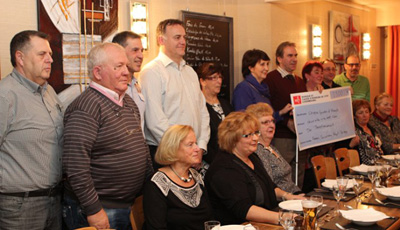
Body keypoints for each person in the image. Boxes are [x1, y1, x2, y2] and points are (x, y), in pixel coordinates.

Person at [63, 43, 152, 230]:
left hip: (129, 204)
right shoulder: (86, 107)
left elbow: (141, 147)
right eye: (118, 67)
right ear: (97, 72)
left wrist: (150, 190)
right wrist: (93, 210)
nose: (126, 72)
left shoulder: (127, 101)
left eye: (126, 66)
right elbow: (75, 165)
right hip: (101, 209)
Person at [0, 30, 63, 230]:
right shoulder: (5, 96)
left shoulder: (49, 91)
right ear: (20, 57)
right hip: (20, 207)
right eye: (42, 54)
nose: (50, 60)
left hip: (54, 200)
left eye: (50, 55)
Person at [205, 112, 305, 225]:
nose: (255, 138)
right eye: (248, 135)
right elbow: (244, 209)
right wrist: (282, 217)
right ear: (232, 138)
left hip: (262, 222)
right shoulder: (223, 168)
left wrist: (288, 196)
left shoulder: (251, 157)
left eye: (256, 133)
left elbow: (270, 186)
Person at [140, 19, 210, 169]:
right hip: (167, 155)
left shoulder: (190, 72)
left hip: (193, 154)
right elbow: (155, 121)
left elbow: (203, 112)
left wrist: (200, 147)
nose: (183, 42)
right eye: (177, 37)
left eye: (184, 37)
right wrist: (183, 151)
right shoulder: (152, 72)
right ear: (161, 40)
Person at [143, 125, 214, 230]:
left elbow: (210, 219)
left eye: (196, 143)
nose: (197, 149)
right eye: (190, 145)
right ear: (173, 148)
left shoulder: (196, 176)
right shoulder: (156, 183)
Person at [264, 41, 307, 188]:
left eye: (295, 55)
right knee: (282, 174)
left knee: (299, 172)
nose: (294, 59)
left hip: (301, 137)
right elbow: (267, 108)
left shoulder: (300, 81)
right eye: (290, 55)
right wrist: (285, 121)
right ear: (279, 58)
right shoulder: (270, 79)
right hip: (281, 136)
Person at [246, 103, 301, 194]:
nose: (271, 125)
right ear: (254, 127)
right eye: (265, 122)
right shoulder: (258, 150)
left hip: (293, 195)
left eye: (272, 121)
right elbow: (269, 185)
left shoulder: (271, 147)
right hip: (281, 201)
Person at [233, 49, 291, 119]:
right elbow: (244, 120)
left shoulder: (263, 88)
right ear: (251, 68)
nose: (266, 68)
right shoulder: (243, 89)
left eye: (267, 64)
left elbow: (268, 118)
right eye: (262, 64)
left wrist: (282, 112)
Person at [198, 62, 233, 164]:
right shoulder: (198, 107)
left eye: (220, 77)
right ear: (202, 81)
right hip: (210, 160)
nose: (219, 81)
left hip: (231, 157)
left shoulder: (226, 104)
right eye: (214, 78)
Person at [112, 31, 145, 132]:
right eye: (135, 50)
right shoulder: (112, 88)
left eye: (142, 50)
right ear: (119, 52)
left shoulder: (137, 84)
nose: (141, 56)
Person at [337, 100, 383, 165]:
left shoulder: (373, 129)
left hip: (379, 164)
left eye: (366, 112)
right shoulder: (351, 131)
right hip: (361, 168)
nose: (364, 115)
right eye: (360, 113)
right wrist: (351, 145)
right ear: (354, 116)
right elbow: (340, 155)